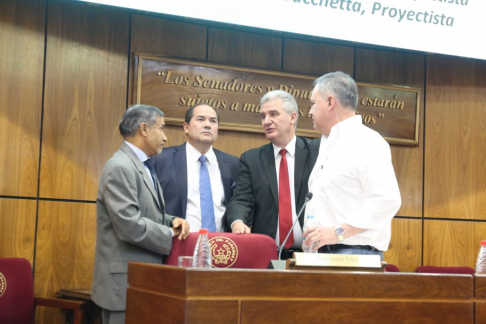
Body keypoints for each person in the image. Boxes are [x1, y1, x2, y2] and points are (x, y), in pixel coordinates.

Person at [92, 104, 189, 324]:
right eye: (162, 128)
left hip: (142, 282)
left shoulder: (143, 165)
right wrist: (170, 232)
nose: (165, 137)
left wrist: (171, 219)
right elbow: (129, 225)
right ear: (144, 129)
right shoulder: (120, 167)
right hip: (125, 286)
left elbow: (147, 213)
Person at [302, 71, 401, 260]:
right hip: (321, 254)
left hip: (354, 254)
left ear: (330, 102)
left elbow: (387, 201)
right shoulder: (328, 144)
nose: (309, 112)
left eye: (313, 104)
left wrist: (337, 233)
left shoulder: (367, 141)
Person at [227, 90, 319, 259]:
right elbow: (241, 199)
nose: (266, 121)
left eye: (273, 114)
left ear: (292, 117)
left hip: (312, 254)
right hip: (268, 255)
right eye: (263, 116)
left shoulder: (317, 152)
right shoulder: (252, 159)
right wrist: (238, 221)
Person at [153, 104, 239, 233]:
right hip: (175, 243)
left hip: (221, 247)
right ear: (186, 127)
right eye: (200, 119)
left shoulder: (233, 163)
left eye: (213, 121)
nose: (207, 125)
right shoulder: (160, 159)